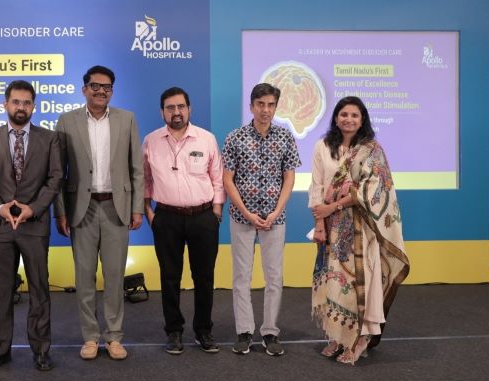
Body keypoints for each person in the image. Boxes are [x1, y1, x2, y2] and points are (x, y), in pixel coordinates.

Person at [309, 96, 410, 365]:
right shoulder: (323, 146)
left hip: (362, 227)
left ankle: (360, 339)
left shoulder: (372, 150)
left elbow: (372, 189)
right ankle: (336, 335)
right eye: (344, 114)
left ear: (362, 119)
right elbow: (317, 186)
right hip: (331, 226)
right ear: (335, 117)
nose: (349, 119)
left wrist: (334, 206)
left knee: (359, 282)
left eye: (354, 115)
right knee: (334, 280)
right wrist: (319, 223)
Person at [54, 65, 144, 361]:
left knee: (115, 276)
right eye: (95, 86)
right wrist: (60, 212)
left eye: (107, 87)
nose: (101, 91)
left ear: (112, 91)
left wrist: (137, 208)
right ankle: (90, 337)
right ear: (84, 89)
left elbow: (136, 168)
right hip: (82, 208)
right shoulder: (67, 121)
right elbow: (59, 172)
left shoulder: (126, 119)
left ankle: (114, 336)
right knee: (84, 277)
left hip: (117, 208)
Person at [0, 80, 63, 371]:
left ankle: (41, 350)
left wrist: (33, 209)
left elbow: (55, 179)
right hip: (0, 227)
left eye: (26, 102)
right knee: (1, 292)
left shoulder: (49, 139)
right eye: (16, 102)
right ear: (5, 104)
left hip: (34, 225)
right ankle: (0, 351)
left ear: (34, 106)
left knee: (39, 290)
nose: (21, 107)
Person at [142, 87, 224, 355]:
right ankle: (174, 331)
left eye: (181, 107)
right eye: (170, 108)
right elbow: (144, 179)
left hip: (203, 217)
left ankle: (203, 330)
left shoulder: (206, 139)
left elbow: (217, 177)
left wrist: (216, 211)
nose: (176, 112)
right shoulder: (151, 141)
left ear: (189, 109)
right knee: (169, 278)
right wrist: (149, 212)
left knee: (204, 277)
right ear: (162, 112)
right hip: (166, 218)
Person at [222, 83, 301, 356]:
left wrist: (277, 210)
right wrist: (246, 212)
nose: (265, 110)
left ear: (275, 107)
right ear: (251, 106)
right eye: (260, 104)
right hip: (241, 217)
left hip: (274, 219)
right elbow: (227, 179)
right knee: (241, 277)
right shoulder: (235, 137)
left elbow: (289, 177)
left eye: (270, 105)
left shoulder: (285, 137)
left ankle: (270, 332)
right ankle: (244, 331)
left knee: (274, 277)